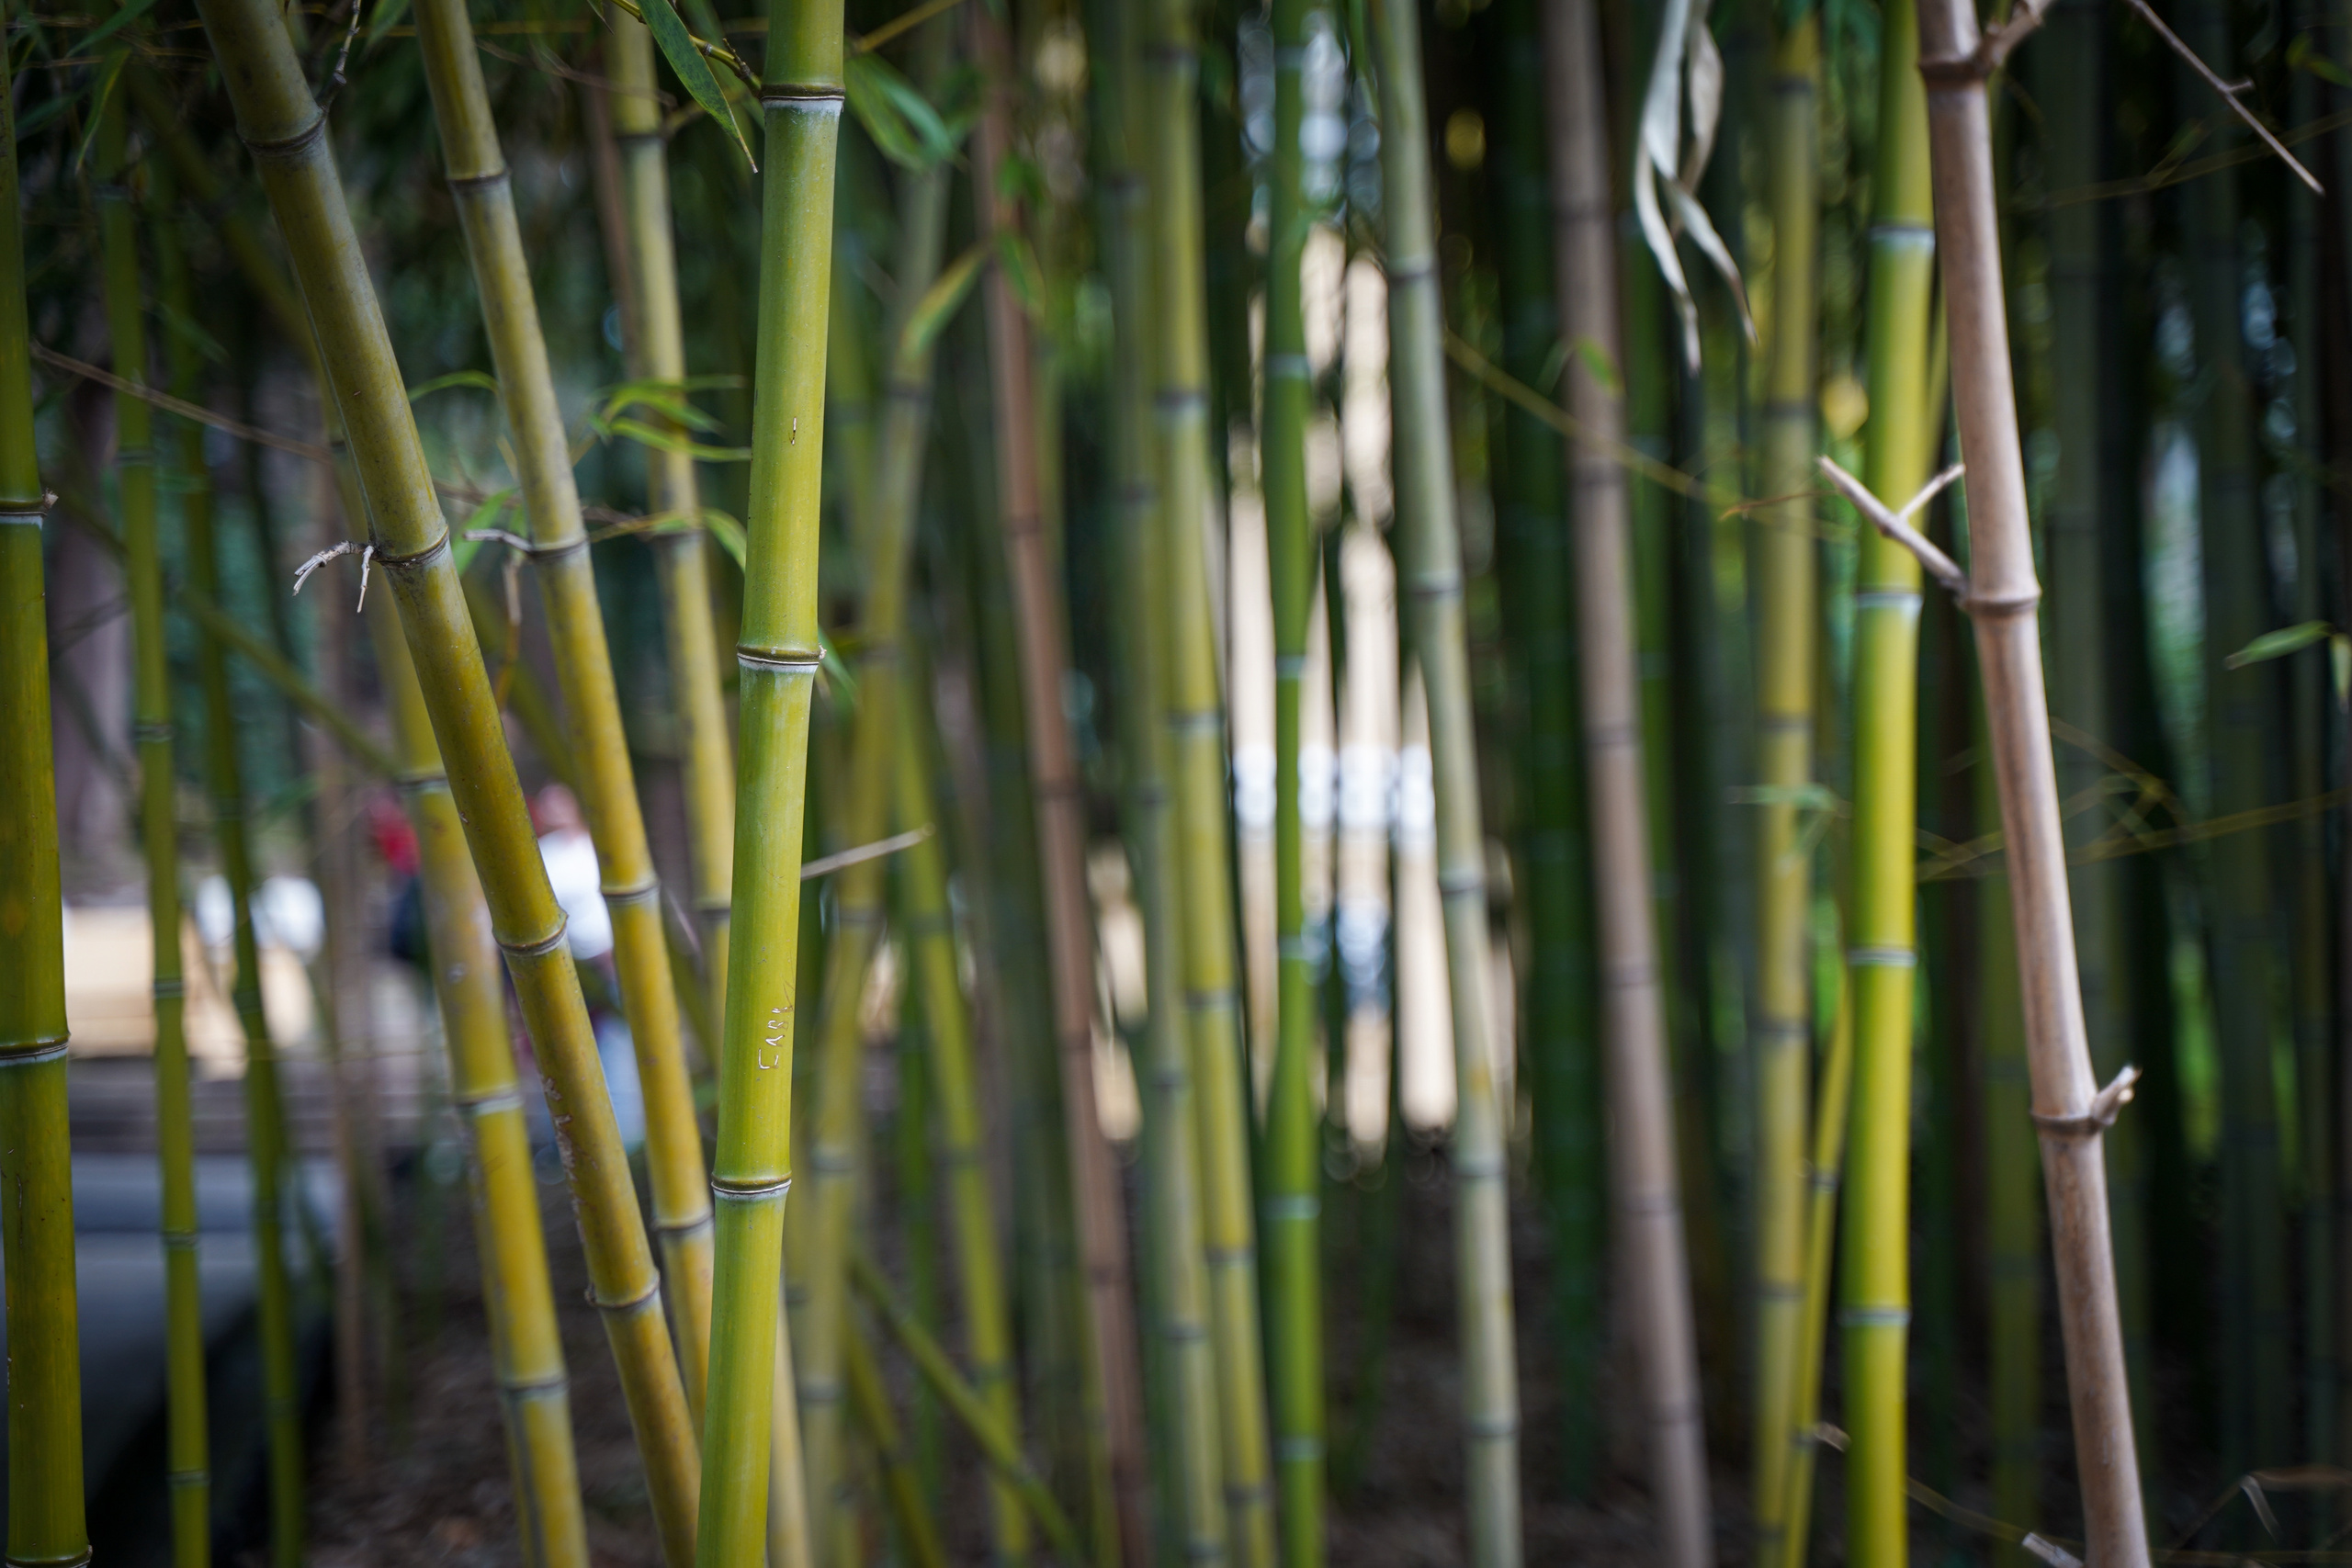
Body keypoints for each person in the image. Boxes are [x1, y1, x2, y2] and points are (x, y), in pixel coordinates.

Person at [532, 784, 642, 1148]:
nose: (555, 811)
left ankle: (626, 1146)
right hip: (568, 968)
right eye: (549, 805)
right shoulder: (542, 856)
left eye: (561, 803)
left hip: (619, 962)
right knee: (569, 1055)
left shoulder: (600, 846)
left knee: (620, 1052)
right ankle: (576, 1145)